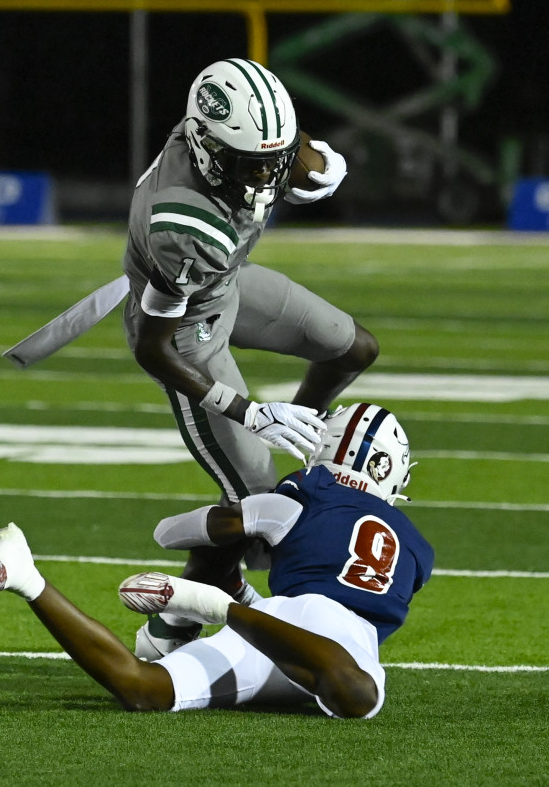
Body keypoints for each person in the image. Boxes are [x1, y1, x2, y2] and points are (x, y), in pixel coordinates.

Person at [121, 58, 380, 653]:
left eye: (274, 160)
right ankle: (171, 626)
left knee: (353, 347)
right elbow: (151, 347)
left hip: (228, 282)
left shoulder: (245, 143)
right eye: (254, 166)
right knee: (254, 499)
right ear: (208, 148)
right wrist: (249, 411)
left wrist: (313, 155)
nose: (267, 178)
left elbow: (292, 150)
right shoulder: (183, 220)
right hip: (185, 328)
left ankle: (303, 447)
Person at [0, 403, 434, 719]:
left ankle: (30, 577)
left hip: (274, 620)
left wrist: (241, 519)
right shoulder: (415, 547)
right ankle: (203, 608)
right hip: (331, 634)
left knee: (140, 687)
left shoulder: (303, 499)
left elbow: (170, 533)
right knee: (356, 697)